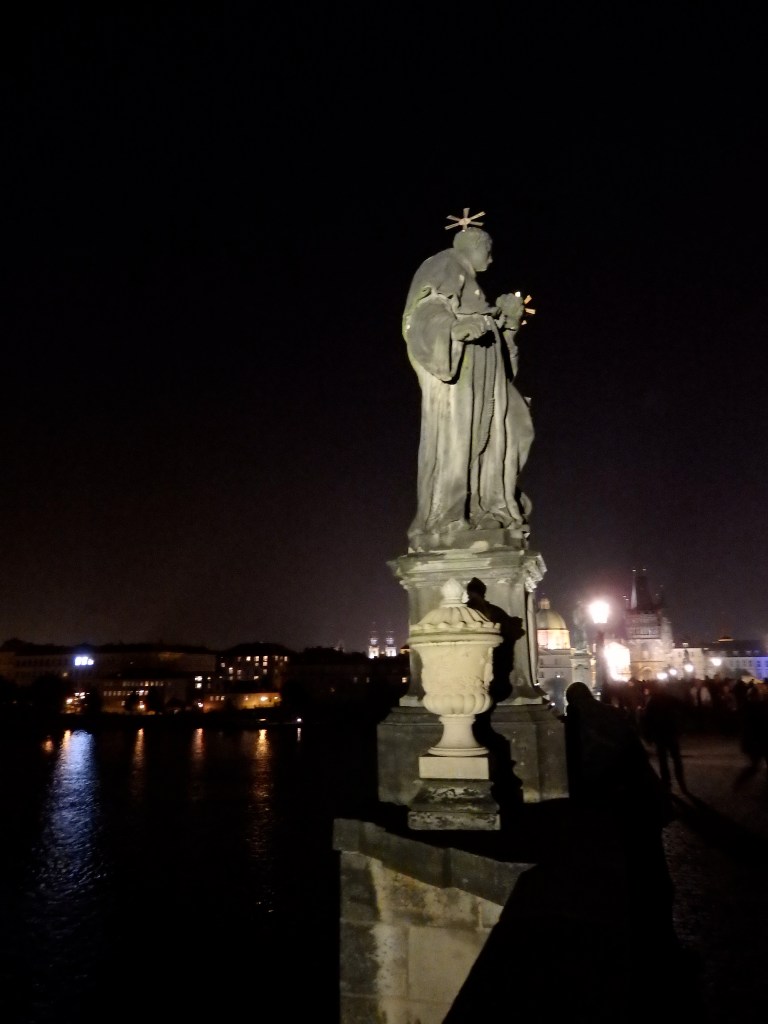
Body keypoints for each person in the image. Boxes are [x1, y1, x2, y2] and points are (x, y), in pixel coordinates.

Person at [402, 214, 534, 552]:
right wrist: (452, 329)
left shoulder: (471, 282)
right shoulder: (445, 264)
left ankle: (489, 507)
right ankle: (450, 517)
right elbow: (425, 310)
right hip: (461, 370)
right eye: (488, 251)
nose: (491, 259)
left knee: (516, 428)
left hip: (485, 373)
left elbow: (505, 360)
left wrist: (509, 322)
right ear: (472, 246)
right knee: (460, 439)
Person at [641, 680, 688, 792]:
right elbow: (683, 708)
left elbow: (647, 720)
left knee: (663, 760)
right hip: (670, 732)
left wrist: (648, 736)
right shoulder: (669, 698)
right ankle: (681, 781)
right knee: (676, 759)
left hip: (660, 734)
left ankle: (666, 782)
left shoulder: (652, 701)